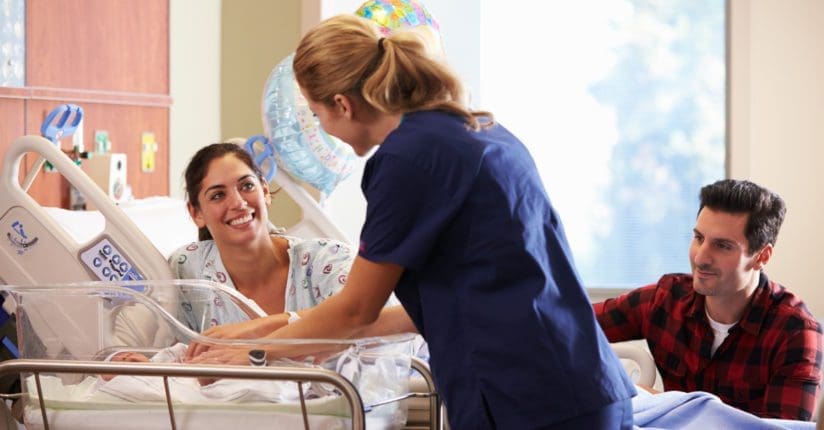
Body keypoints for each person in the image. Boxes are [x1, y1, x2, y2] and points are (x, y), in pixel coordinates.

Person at [189, 14, 636, 429]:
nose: (323, 129)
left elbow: (355, 310)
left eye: (317, 113)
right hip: (576, 382)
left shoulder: (409, 159)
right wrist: (271, 330)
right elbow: (424, 310)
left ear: (342, 105)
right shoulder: (478, 129)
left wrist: (251, 354)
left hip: (529, 397)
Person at [593, 179, 823, 421]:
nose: (701, 258)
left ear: (761, 256)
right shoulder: (664, 299)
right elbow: (566, 327)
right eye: (699, 238)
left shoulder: (795, 332)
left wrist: (661, 401)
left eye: (722, 246)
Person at [170, 142, 412, 341]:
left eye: (246, 186)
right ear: (196, 213)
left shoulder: (327, 262)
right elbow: (177, 354)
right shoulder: (188, 270)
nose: (238, 203)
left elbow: (378, 326)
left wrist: (263, 329)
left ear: (265, 191)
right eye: (218, 195)